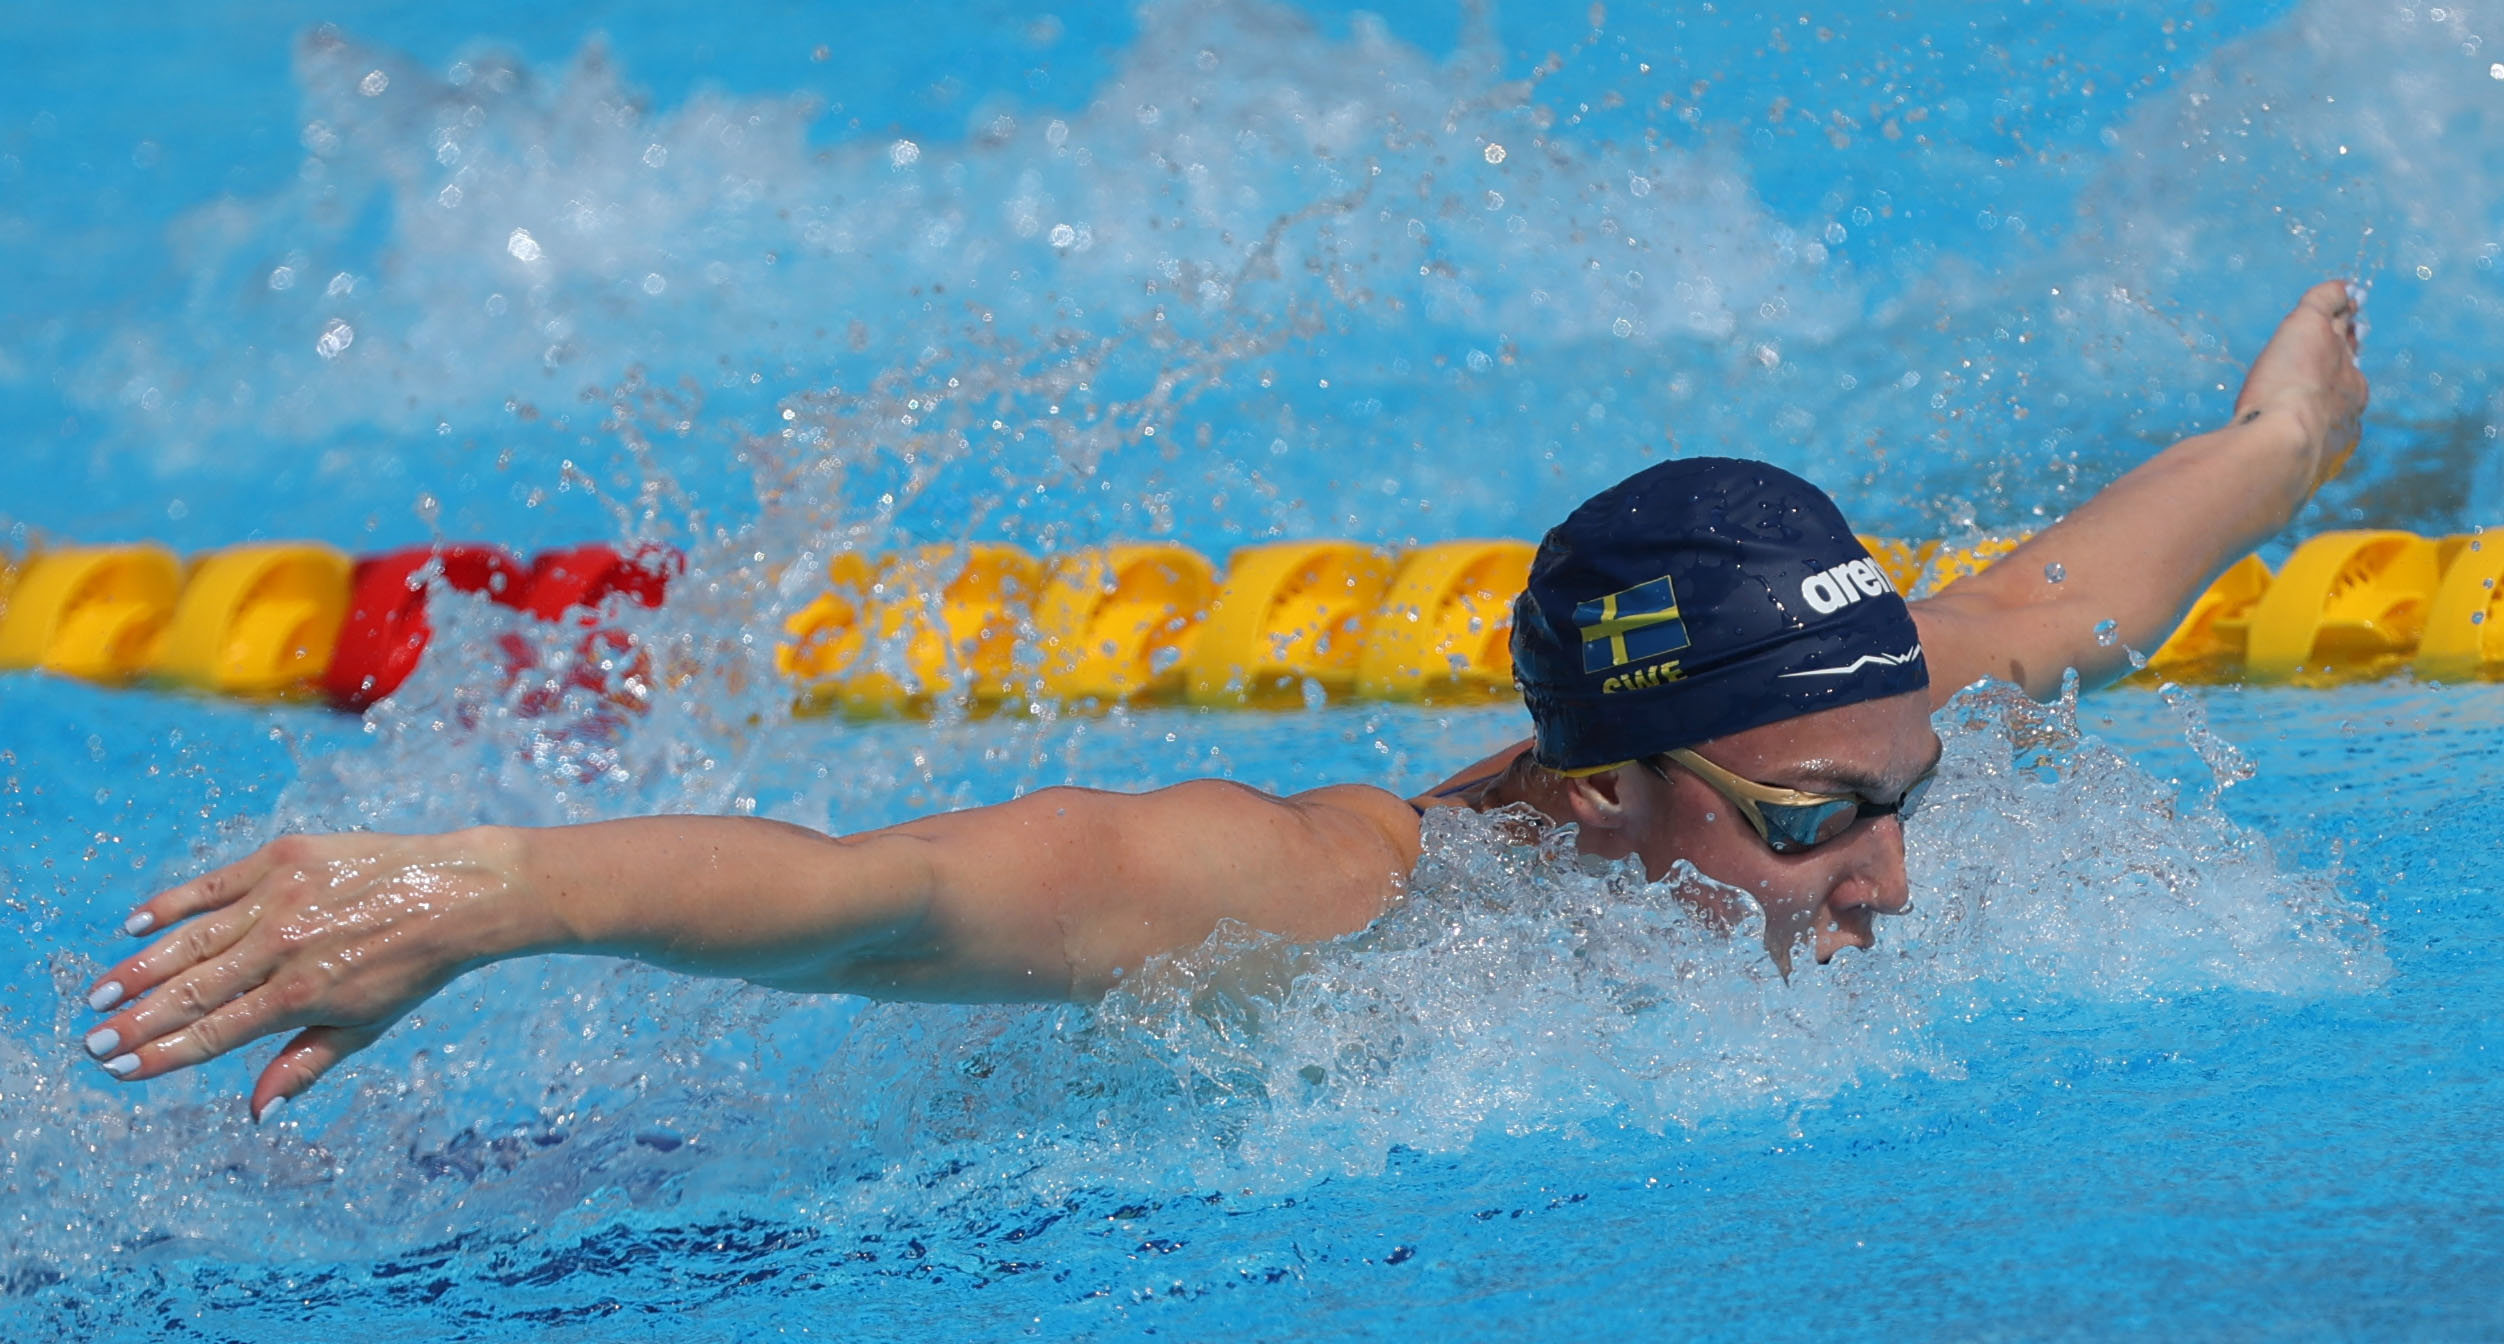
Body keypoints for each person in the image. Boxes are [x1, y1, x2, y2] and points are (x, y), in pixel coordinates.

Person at [77, 281, 2369, 1123]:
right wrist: (478, 889)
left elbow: (2055, 600)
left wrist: (2273, 456)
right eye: (1802, 830)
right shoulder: (1331, 900)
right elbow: (871, 897)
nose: (1883, 881)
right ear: (1592, 802)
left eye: (1897, 802)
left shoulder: (1829, 717)